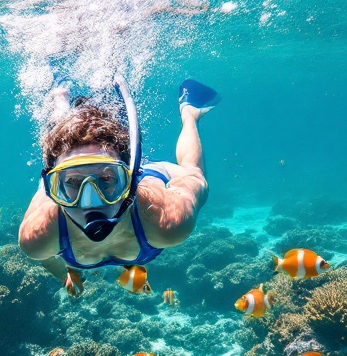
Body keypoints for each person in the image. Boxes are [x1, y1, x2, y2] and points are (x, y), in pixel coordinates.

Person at [18, 77, 219, 294]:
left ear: (131, 180)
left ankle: (190, 114)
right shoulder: (37, 236)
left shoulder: (166, 219)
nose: (90, 202)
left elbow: (196, 176)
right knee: (61, 144)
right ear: (54, 190)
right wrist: (64, 276)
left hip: (148, 184)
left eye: (105, 179)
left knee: (190, 167)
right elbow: (47, 259)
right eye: (75, 182)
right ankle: (61, 103)